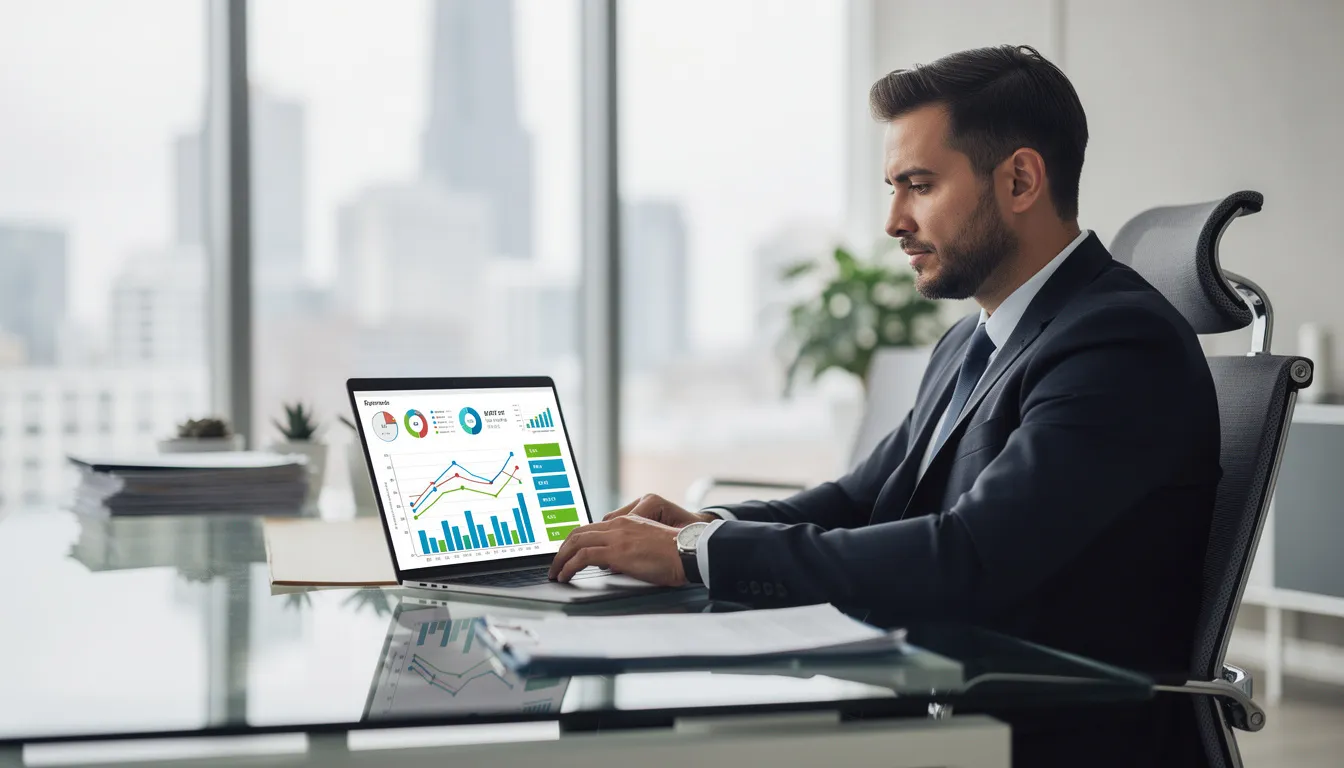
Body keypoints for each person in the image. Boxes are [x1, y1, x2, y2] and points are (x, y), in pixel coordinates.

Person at [550, 44, 1219, 765]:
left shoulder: (1117, 344)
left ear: (1020, 179)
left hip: (1042, 736)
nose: (894, 219)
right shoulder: (973, 340)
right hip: (945, 701)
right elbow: (861, 497)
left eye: (919, 185)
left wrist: (694, 557)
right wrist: (708, 525)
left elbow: (968, 557)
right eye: (892, 187)